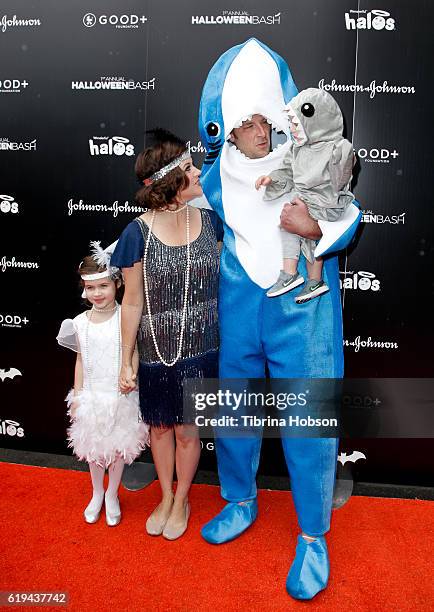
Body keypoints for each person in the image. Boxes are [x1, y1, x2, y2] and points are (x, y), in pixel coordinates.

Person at [198, 39, 361, 600]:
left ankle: (314, 536)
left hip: (303, 307)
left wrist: (318, 230)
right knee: (235, 407)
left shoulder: (316, 157)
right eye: (248, 125)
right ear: (227, 126)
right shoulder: (215, 177)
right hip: (242, 305)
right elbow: (175, 200)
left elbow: (350, 215)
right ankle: (239, 499)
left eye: (267, 121)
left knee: (308, 422)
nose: (261, 134)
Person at [110, 129, 222, 540]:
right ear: (172, 179)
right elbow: (132, 302)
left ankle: (182, 498)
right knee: (159, 428)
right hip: (156, 350)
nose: (198, 173)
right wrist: (126, 359)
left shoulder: (212, 222)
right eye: (190, 168)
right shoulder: (136, 234)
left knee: (189, 430)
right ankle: (164, 495)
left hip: (203, 348)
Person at [56, 243, 149, 526]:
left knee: (118, 446)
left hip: (121, 394)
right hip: (93, 396)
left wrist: (130, 375)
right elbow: (81, 361)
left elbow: (133, 351)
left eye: (103, 286)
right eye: (91, 288)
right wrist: (78, 396)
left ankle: (112, 494)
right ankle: (97, 492)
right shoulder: (79, 323)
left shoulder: (126, 317)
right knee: (95, 449)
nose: (97, 294)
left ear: (117, 284)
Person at [255, 87, 355, 302]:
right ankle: (293, 274)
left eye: (294, 123)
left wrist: (343, 157)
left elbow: (340, 180)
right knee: (287, 227)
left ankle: (311, 279)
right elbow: (287, 170)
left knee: (309, 238)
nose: (291, 128)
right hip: (303, 198)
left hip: (325, 202)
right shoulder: (297, 149)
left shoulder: (335, 147)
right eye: (291, 123)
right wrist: (271, 178)